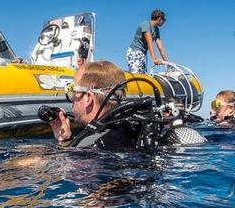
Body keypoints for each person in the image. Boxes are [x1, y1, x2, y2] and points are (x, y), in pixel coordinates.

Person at [49, 60, 206, 148]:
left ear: (88, 97)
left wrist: (65, 145)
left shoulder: (94, 144)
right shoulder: (135, 126)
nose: (70, 98)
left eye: (72, 90)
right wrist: (66, 137)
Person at [126, 9, 169, 73]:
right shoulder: (146, 24)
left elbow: (160, 46)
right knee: (137, 75)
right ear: (159, 19)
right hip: (134, 52)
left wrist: (168, 63)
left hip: (143, 54)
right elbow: (149, 43)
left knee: (143, 76)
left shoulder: (156, 30)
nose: (164, 22)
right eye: (164, 20)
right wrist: (155, 59)